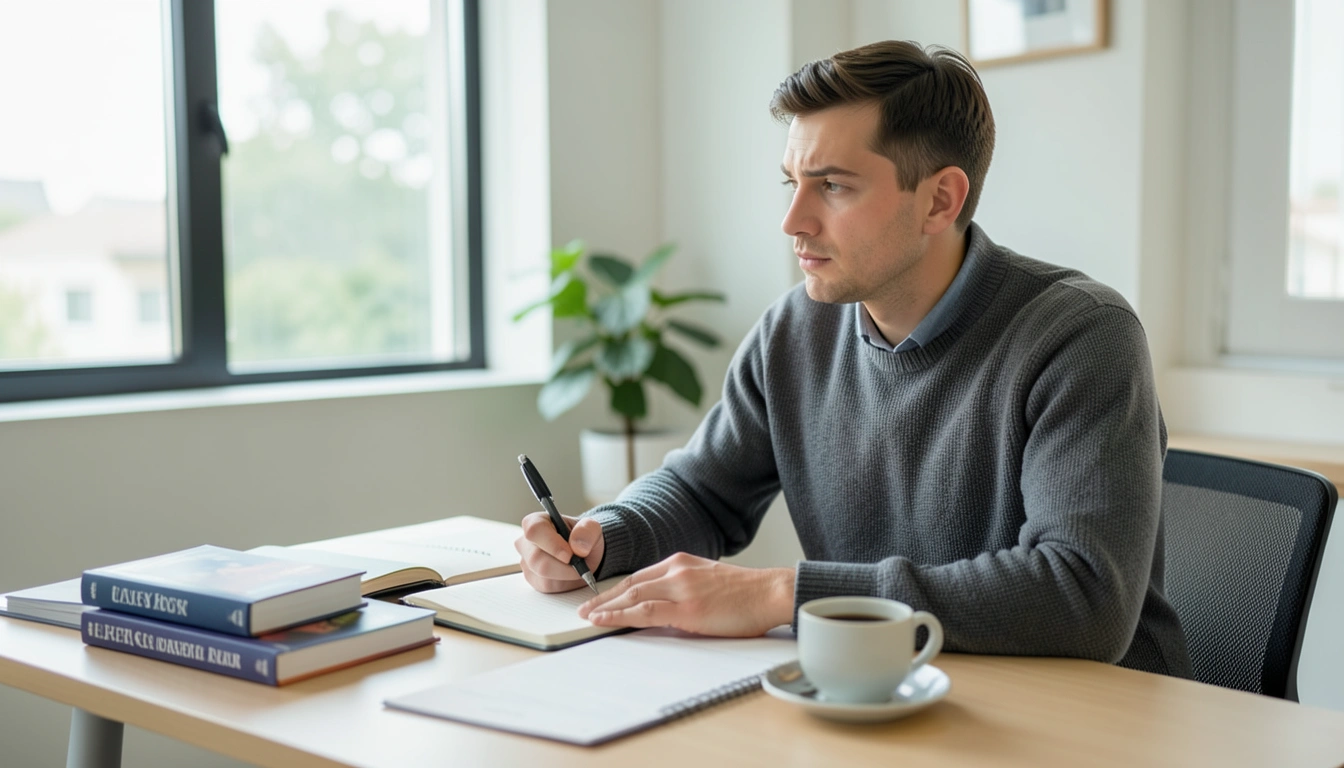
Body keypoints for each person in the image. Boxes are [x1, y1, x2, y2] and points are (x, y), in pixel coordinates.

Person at [516, 40, 1191, 677]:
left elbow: (1083, 595)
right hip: (882, 691)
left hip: (1088, 723)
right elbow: (701, 490)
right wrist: (608, 534)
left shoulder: (1081, 337)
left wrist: (788, 593)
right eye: (791, 183)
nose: (793, 221)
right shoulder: (796, 330)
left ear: (939, 199)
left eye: (832, 186)